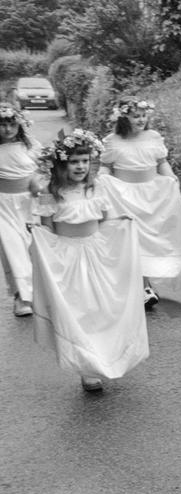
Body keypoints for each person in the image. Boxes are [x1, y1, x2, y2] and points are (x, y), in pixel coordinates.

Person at [29, 129, 149, 393]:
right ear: (62, 163)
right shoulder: (51, 191)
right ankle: (87, 367)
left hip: (97, 253)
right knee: (79, 310)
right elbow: (47, 227)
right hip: (68, 257)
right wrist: (37, 232)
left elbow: (106, 222)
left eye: (84, 160)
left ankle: (109, 354)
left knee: (102, 308)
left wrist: (122, 223)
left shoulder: (98, 186)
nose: (80, 166)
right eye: (74, 161)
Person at [99, 96, 181, 307]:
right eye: (136, 116)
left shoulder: (153, 137)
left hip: (152, 195)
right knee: (132, 241)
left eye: (144, 115)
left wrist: (171, 178)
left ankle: (149, 282)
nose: (141, 120)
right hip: (124, 196)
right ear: (123, 117)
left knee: (155, 240)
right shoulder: (113, 141)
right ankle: (143, 286)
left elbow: (161, 163)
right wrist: (100, 182)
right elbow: (105, 167)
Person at [0, 103, 41, 317]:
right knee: (13, 250)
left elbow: (40, 171)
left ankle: (39, 293)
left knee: (31, 248)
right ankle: (21, 298)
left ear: (20, 125)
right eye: (2, 124)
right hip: (3, 206)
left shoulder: (31, 146)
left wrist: (37, 182)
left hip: (29, 204)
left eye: (11, 124)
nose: (7, 129)